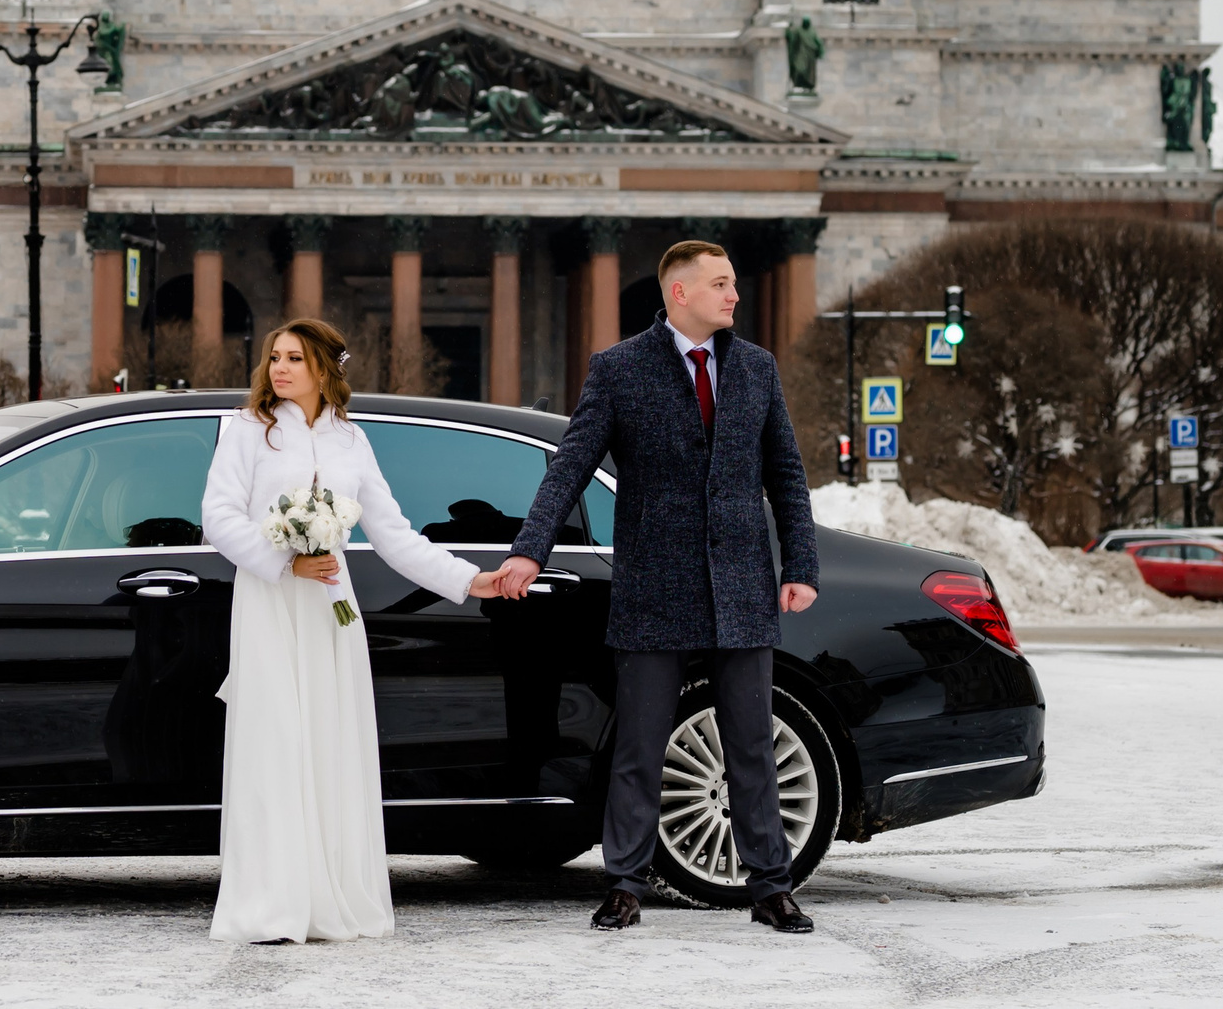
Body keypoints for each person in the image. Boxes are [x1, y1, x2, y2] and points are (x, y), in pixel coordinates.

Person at [494, 239, 822, 934]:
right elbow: (570, 466)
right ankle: (624, 884)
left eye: (734, 282)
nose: (735, 295)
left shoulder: (757, 368)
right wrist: (530, 550)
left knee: (751, 747)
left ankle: (771, 887)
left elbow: (786, 474)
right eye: (721, 283)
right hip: (653, 588)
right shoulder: (619, 369)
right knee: (640, 748)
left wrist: (801, 567)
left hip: (741, 585)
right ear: (681, 292)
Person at [199, 317, 504, 944]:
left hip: (333, 610)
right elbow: (218, 517)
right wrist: (286, 559)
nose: (279, 369)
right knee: (275, 746)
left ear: (323, 369)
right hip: (272, 603)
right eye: (274, 358)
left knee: (331, 748)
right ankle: (271, 906)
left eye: (294, 359)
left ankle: (332, 899)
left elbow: (392, 533)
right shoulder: (246, 430)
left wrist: (467, 579)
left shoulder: (351, 440)